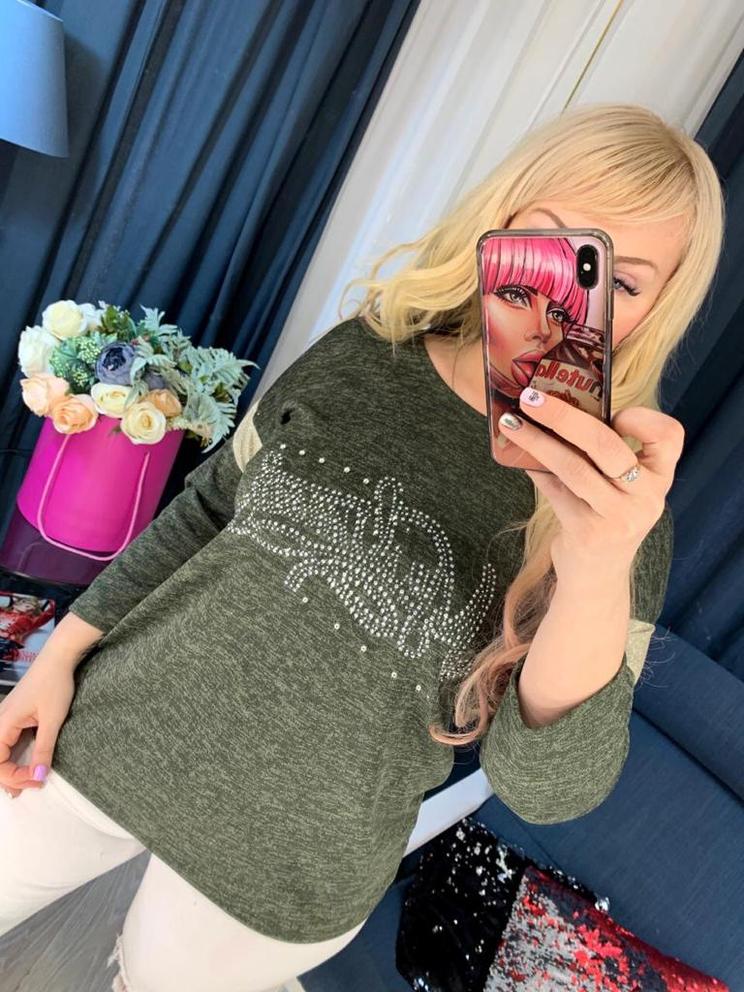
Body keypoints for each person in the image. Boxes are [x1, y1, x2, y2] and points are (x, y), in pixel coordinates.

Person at [0, 102, 724, 992]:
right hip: (111, 730)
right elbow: (209, 509)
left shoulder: (624, 519)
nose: (563, 306)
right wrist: (57, 655)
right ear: (500, 223)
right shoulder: (365, 353)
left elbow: (547, 789)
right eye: (552, 243)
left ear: (659, 308)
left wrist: (598, 562)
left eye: (620, 281)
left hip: (290, 869)